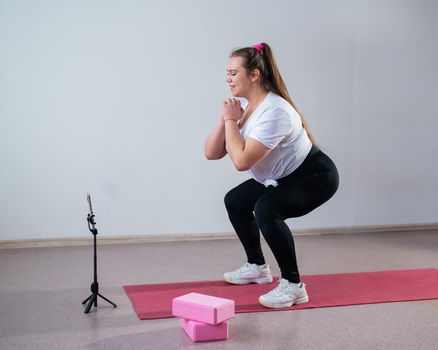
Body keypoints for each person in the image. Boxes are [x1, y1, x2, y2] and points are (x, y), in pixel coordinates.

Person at [204, 42, 339, 308]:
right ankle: (256, 266)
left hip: (315, 176)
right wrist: (226, 119)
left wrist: (232, 121)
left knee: (267, 209)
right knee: (235, 201)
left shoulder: (275, 111)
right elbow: (211, 152)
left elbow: (241, 161)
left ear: (254, 74)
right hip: (282, 176)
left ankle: (293, 285)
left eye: (233, 72)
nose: (227, 78)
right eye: (227, 72)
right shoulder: (248, 108)